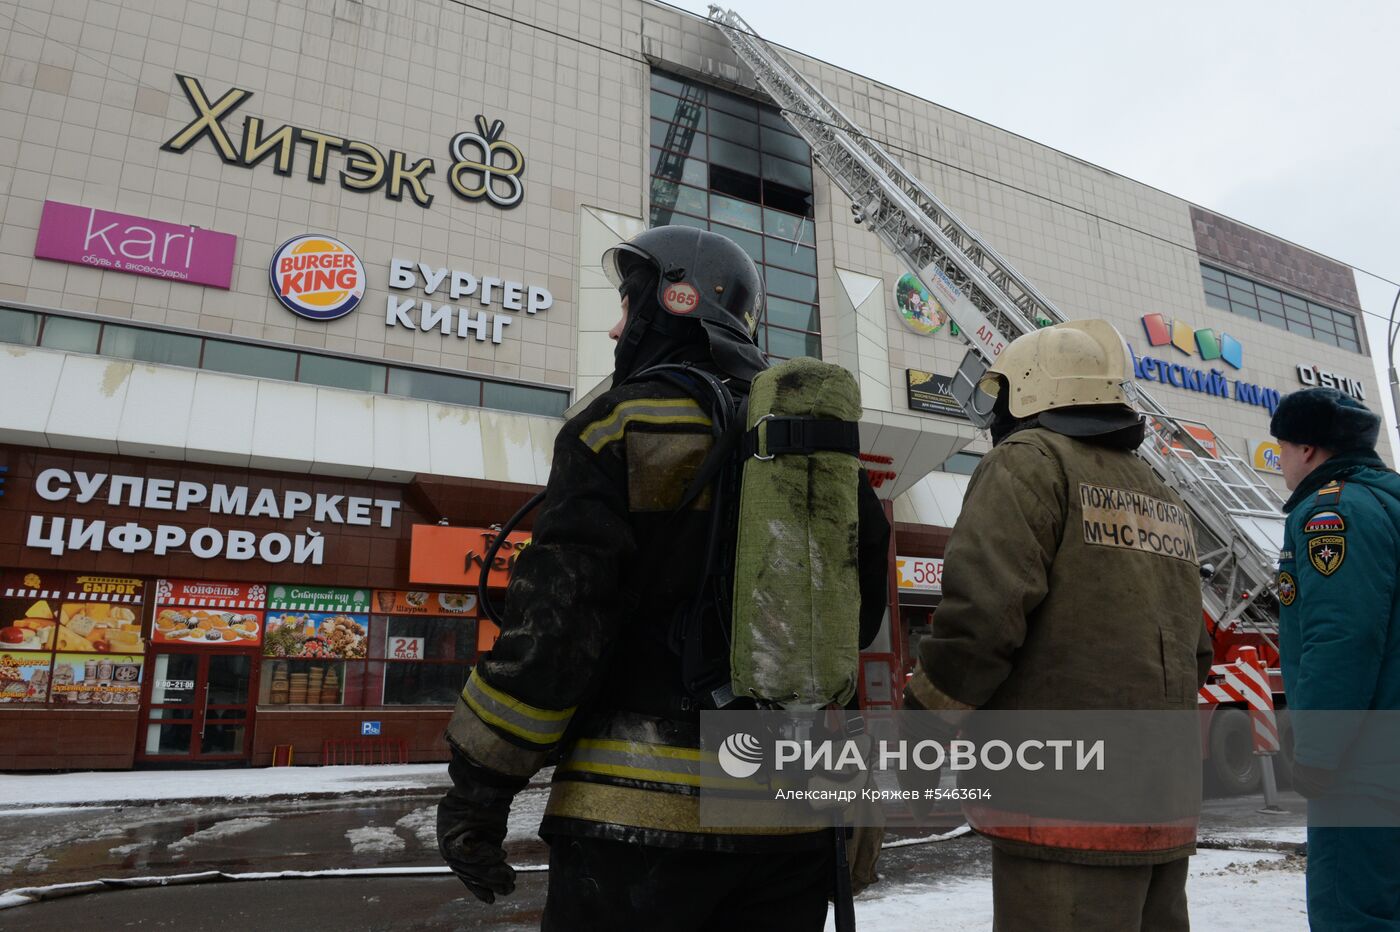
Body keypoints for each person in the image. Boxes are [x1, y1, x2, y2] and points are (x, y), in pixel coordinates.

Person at [435, 225, 892, 930]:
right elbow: (853, 619)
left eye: (629, 302)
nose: (619, 326)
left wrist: (479, 790)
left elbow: (559, 628)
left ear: (672, 304)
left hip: (636, 830)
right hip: (795, 831)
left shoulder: (618, 426)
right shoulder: (817, 454)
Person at [903, 320, 1212, 931]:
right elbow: (1195, 649)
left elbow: (981, 620)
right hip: (1162, 801)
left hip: (1065, 809)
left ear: (1027, 390)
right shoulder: (1159, 490)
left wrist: (923, 725)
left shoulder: (1028, 463)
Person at [1270, 386, 1400, 929]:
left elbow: (1340, 638)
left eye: (1280, 448)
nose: (1278, 461)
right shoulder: (1388, 501)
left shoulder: (1334, 513)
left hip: (1362, 763)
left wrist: (1318, 753)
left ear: (1308, 450)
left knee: (1353, 910)